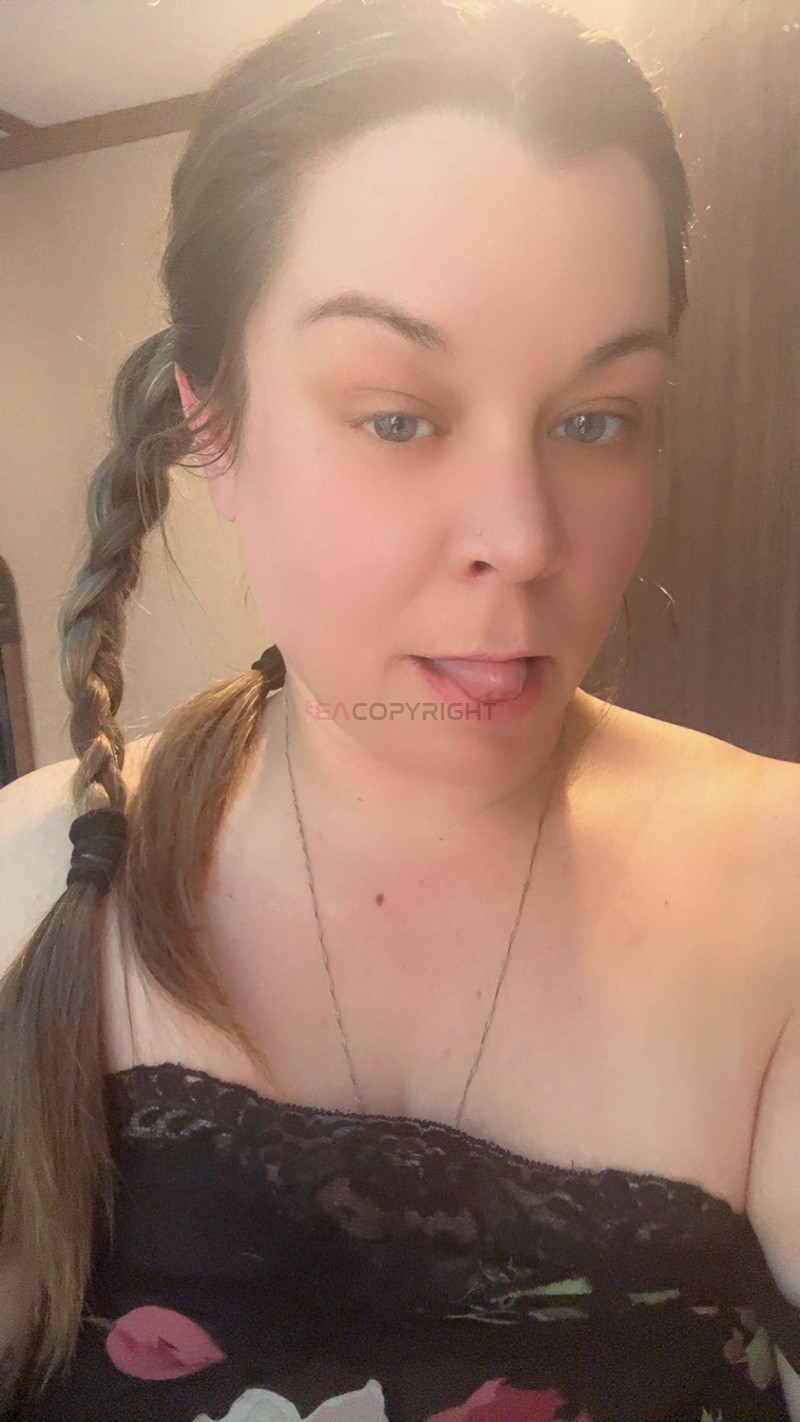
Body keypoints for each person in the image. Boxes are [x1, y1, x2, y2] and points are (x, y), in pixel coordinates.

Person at [1, 0, 799, 1417]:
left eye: (597, 418)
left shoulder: (780, 887)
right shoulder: (27, 881)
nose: (526, 538)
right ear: (213, 426)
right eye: (398, 417)